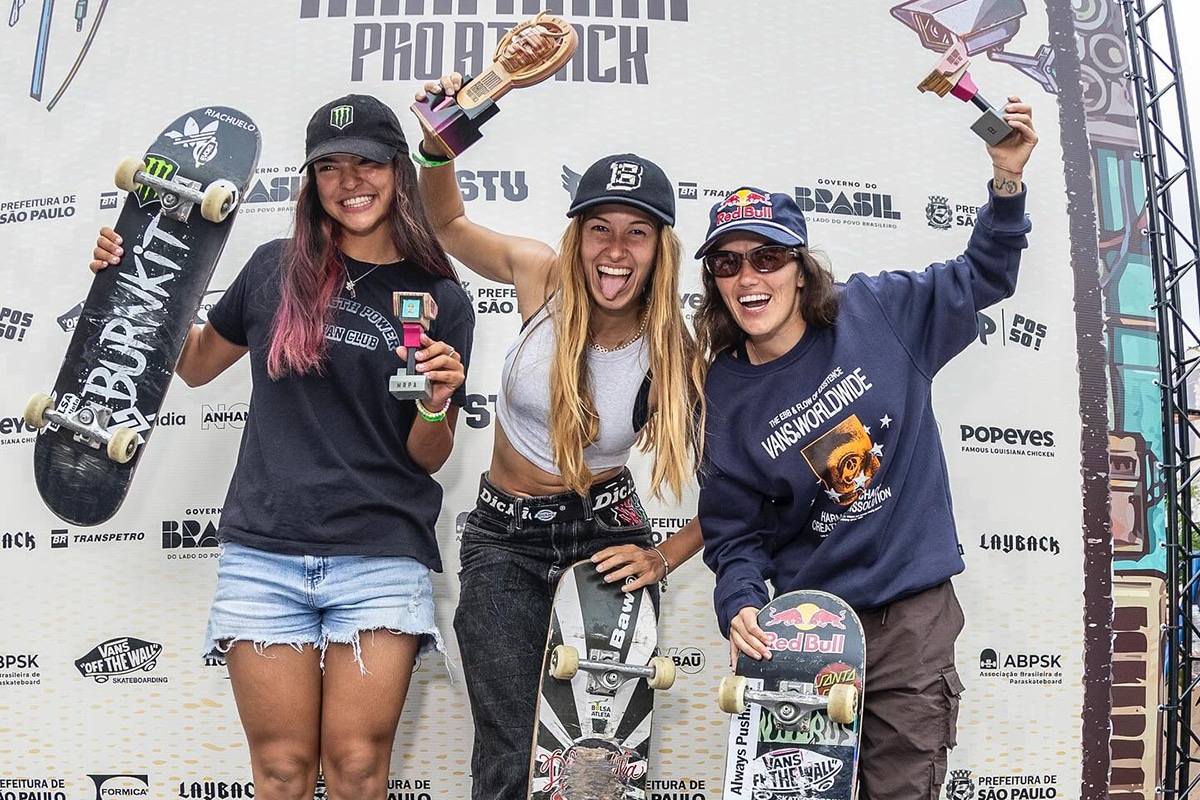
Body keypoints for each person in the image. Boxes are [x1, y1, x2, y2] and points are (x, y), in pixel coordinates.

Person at [90, 94, 474, 800]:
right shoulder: (274, 268)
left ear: (398, 169)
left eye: (366, 161)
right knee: (282, 770)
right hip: (264, 553)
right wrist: (137, 280)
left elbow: (427, 455)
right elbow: (198, 362)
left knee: (357, 766)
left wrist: (435, 402)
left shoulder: (440, 296)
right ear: (310, 180)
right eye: (329, 166)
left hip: (380, 552)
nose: (349, 180)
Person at [692, 99, 1038, 800]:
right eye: (728, 263)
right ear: (714, 282)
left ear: (799, 265)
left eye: (767, 256)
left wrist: (1006, 182)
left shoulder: (878, 310)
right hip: (810, 629)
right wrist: (739, 602)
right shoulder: (723, 392)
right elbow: (736, 532)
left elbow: (985, 276)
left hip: (912, 618)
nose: (748, 277)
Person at [412, 74, 704, 800]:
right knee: (511, 756)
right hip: (504, 539)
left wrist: (666, 554)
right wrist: (439, 145)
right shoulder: (541, 278)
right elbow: (446, 226)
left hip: (604, 535)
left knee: (599, 763)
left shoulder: (675, 352)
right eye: (600, 228)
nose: (615, 249)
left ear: (659, 248)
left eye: (636, 231)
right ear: (578, 236)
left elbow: (741, 484)